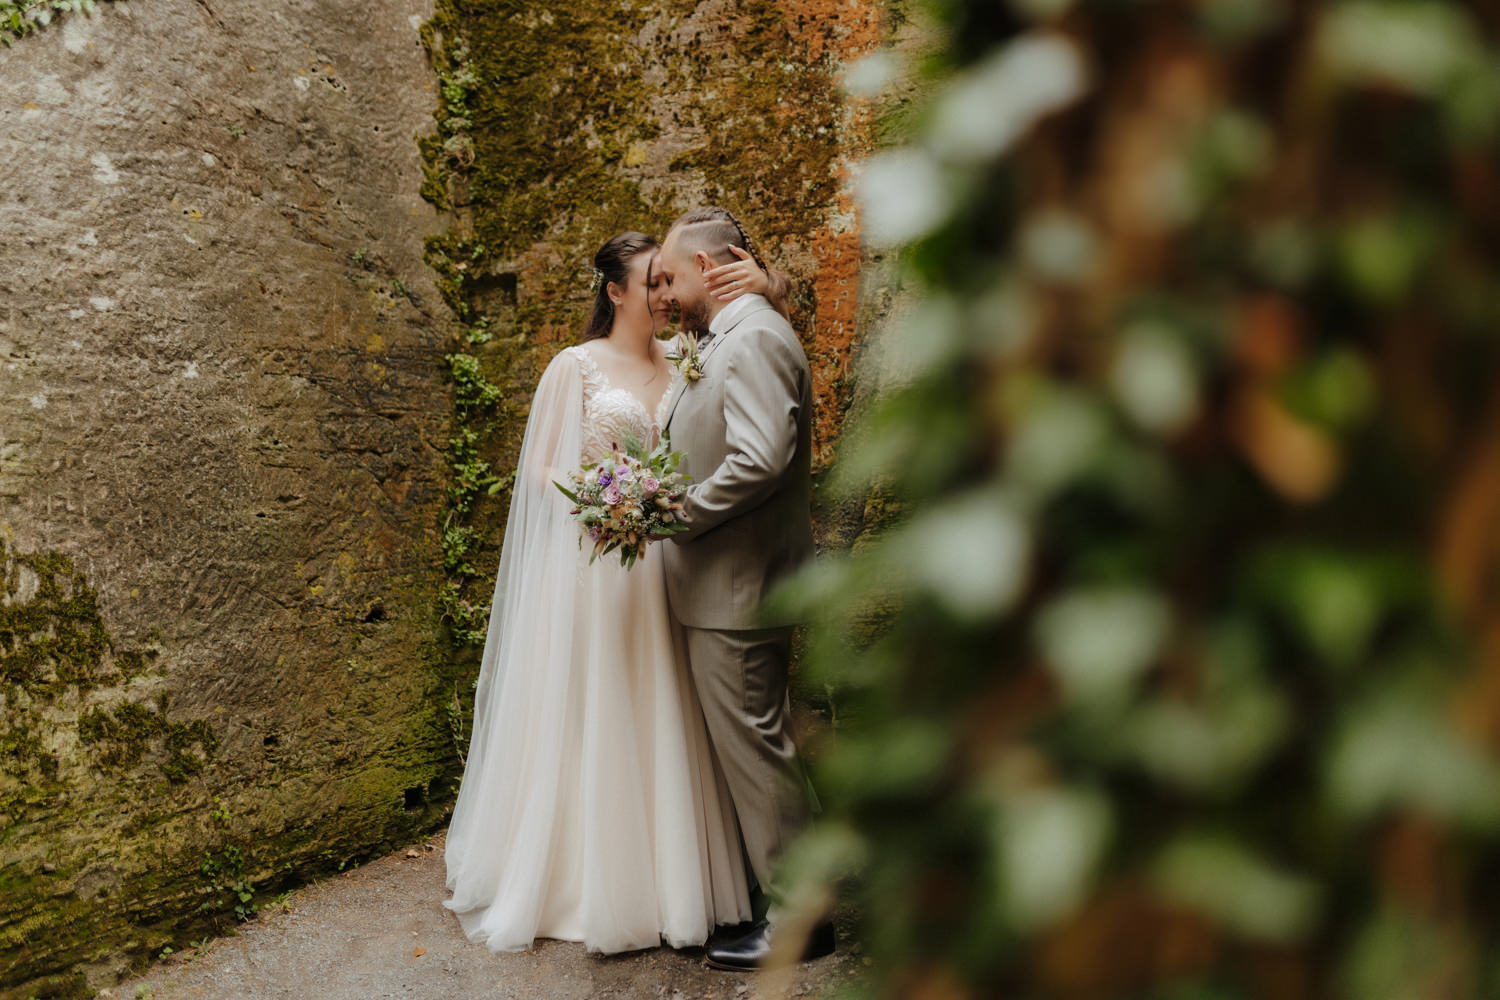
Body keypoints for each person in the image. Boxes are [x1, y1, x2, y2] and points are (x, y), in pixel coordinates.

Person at [442, 230, 778, 954]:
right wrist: (614, 498)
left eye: (668, 281)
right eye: (651, 282)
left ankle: (677, 880)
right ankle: (591, 883)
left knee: (671, 710)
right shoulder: (576, 367)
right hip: (604, 564)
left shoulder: (689, 359)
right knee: (601, 709)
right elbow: (538, 472)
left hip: (672, 563)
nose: (665, 294)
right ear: (615, 291)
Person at [654, 207, 833, 971]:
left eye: (673, 273)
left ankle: (801, 919)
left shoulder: (754, 336)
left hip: (738, 584)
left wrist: (677, 515)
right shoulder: (728, 337)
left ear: (715, 263)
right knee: (768, 741)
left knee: (757, 745)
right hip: (730, 584)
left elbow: (760, 459)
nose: (667, 293)